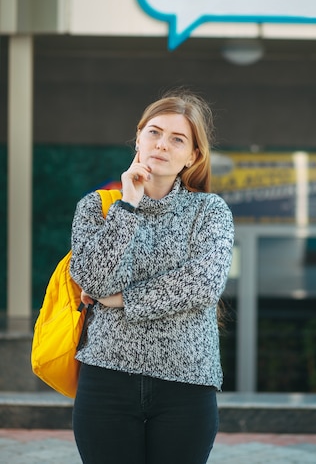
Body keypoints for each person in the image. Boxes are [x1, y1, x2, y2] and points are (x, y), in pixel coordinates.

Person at [69, 90, 235, 464]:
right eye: (154, 133)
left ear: (192, 155)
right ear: (139, 137)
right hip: (106, 380)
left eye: (178, 139)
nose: (162, 145)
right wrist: (127, 204)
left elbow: (203, 284)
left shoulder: (210, 211)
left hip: (187, 385)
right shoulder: (97, 207)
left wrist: (123, 300)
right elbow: (94, 281)